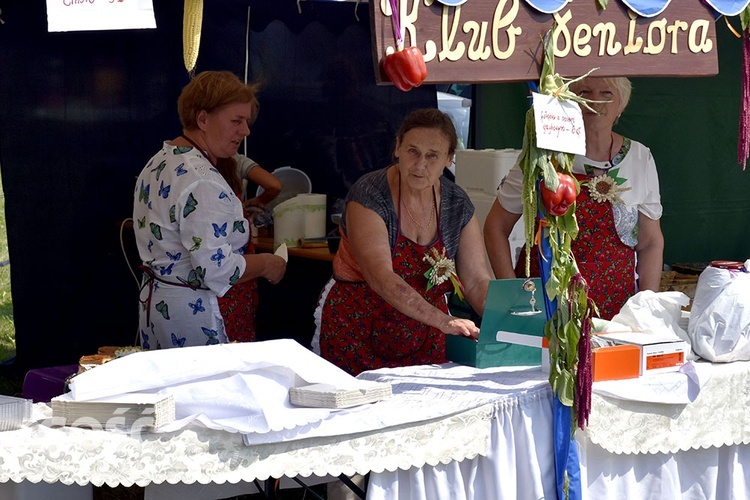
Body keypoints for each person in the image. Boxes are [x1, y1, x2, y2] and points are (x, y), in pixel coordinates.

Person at [315, 108, 492, 376]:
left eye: (433, 156)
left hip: (426, 335)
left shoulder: (457, 204)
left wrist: (509, 325)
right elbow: (381, 278)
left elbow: (477, 282)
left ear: (449, 158)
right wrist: (443, 320)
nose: (420, 164)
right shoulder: (370, 194)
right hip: (358, 328)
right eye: (413, 151)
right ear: (397, 147)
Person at [484, 76, 664, 320]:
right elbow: (496, 226)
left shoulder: (640, 158)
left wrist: (646, 309)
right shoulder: (543, 157)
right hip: (548, 309)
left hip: (619, 314)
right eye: (584, 92)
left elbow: (650, 242)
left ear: (621, 105)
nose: (594, 101)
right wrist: (516, 297)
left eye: (606, 93)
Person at [133, 70, 286, 350]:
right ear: (202, 119)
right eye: (236, 121)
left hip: (158, 309)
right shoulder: (202, 179)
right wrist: (267, 264)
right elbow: (217, 270)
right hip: (193, 316)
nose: (246, 131)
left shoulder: (158, 160)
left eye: (247, 121)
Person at [214, 153, 282, 343]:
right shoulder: (237, 160)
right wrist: (261, 199)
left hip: (234, 281)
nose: (243, 131)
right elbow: (274, 185)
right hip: (232, 282)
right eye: (237, 121)